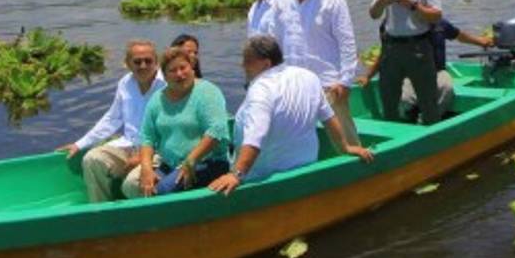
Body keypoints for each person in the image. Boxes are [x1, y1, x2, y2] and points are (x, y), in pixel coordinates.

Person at [208, 36, 373, 195]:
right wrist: (345, 147)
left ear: (266, 64)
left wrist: (236, 175)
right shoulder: (308, 77)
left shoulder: (261, 89)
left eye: (247, 61)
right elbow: (328, 118)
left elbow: (255, 137)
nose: (242, 65)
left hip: (262, 180)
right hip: (305, 170)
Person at [57, 39, 166, 202]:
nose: (143, 65)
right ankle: (101, 211)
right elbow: (112, 119)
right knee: (92, 159)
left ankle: (143, 220)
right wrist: (79, 144)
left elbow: (171, 129)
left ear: (156, 62)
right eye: (137, 61)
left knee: (132, 184)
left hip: (157, 151)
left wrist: (143, 157)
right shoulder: (125, 83)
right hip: (128, 145)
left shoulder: (166, 85)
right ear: (128, 64)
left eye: (148, 61)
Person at [275, 0, 361, 146]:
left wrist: (346, 81)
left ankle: (361, 173)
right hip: (292, 84)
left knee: (346, 141)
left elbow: (347, 41)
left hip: (328, 84)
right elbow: (276, 40)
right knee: (295, 139)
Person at [123, 47, 230, 198]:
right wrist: (146, 168)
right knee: (132, 185)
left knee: (161, 191)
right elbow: (147, 137)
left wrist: (190, 161)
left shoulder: (207, 92)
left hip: (206, 162)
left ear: (192, 68)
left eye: (183, 68)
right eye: (173, 71)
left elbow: (216, 130)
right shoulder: (157, 99)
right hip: (169, 163)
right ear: (165, 76)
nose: (180, 74)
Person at [359, 20, 494, 119]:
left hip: (437, 72)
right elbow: (385, 54)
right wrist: (368, 76)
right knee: (405, 99)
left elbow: (459, 35)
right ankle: (408, 120)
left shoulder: (439, 24)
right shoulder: (392, 27)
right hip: (409, 74)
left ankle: (428, 119)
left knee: (446, 87)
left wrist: (481, 41)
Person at [368, 0, 443, 124]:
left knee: (427, 98)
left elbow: (437, 16)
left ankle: (433, 135)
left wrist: (413, 5)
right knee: (388, 97)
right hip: (391, 48)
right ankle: (393, 137)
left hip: (418, 48)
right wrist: (381, 2)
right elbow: (373, 14)